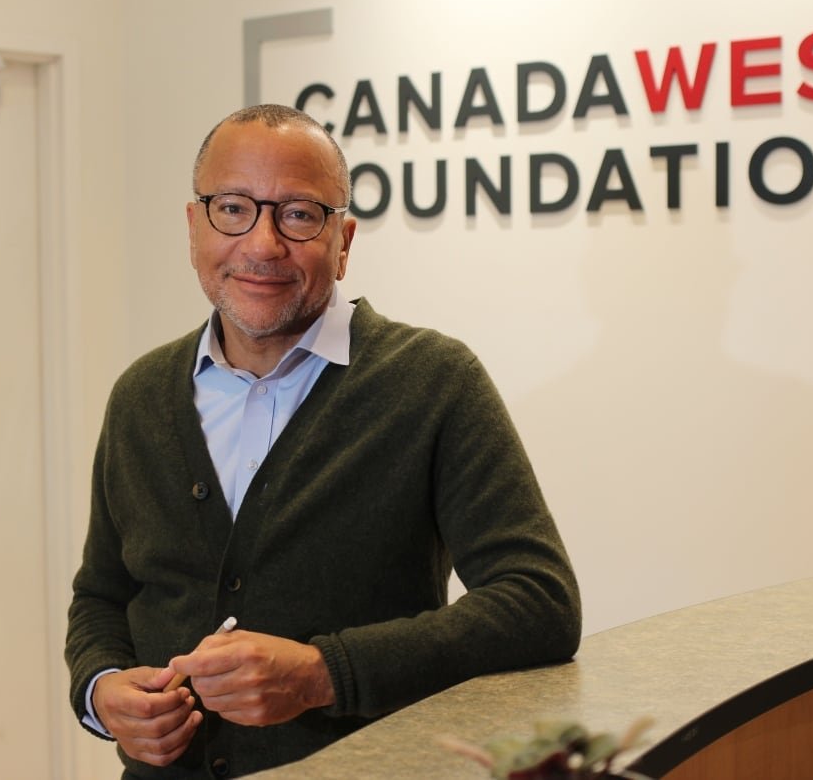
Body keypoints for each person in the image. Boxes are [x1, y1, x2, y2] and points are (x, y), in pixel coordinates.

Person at [64, 104, 582, 779]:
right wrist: (101, 689)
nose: (262, 243)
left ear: (344, 239)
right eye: (232, 209)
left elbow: (539, 602)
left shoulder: (433, 381)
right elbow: (102, 594)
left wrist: (323, 673)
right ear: (194, 227)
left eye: (299, 214)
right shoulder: (141, 395)